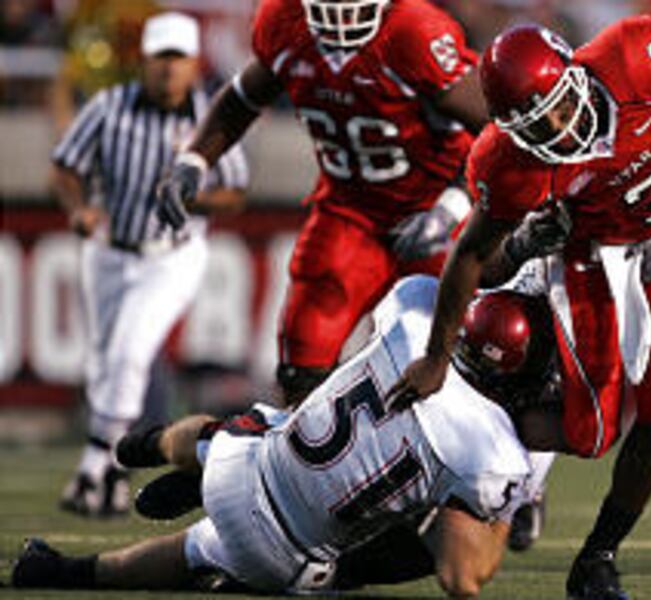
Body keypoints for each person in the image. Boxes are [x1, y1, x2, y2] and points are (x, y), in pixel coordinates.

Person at [387, 10, 651, 600]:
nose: (563, 129)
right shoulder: (507, 160)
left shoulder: (635, 55)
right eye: (540, 125)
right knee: (590, 433)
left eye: (563, 106)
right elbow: (473, 260)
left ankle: (598, 558)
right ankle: (488, 441)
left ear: (576, 72)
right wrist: (439, 353)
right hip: (588, 251)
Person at [12, 276, 556, 597]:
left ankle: (156, 447)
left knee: (247, 428)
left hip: (246, 465)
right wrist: (511, 499)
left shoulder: (416, 315)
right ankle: (60, 571)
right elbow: (462, 577)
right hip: (285, 554)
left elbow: (446, 284)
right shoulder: (493, 452)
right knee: (202, 552)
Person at [154, 0, 489, 407]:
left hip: (433, 209)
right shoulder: (284, 21)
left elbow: (494, 135)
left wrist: (450, 207)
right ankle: (309, 462)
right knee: (302, 360)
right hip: (350, 212)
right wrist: (194, 159)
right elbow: (244, 97)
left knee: (469, 361)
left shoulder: (413, 32)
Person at [52, 11, 249, 518]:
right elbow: (66, 162)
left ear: (193, 64)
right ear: (143, 61)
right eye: (160, 58)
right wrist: (79, 210)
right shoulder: (109, 105)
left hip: (172, 254)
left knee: (130, 351)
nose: (168, 69)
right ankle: (110, 477)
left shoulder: (211, 116)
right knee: (102, 364)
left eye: (178, 58)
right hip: (108, 249)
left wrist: (193, 200)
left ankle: (97, 467)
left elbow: (236, 193)